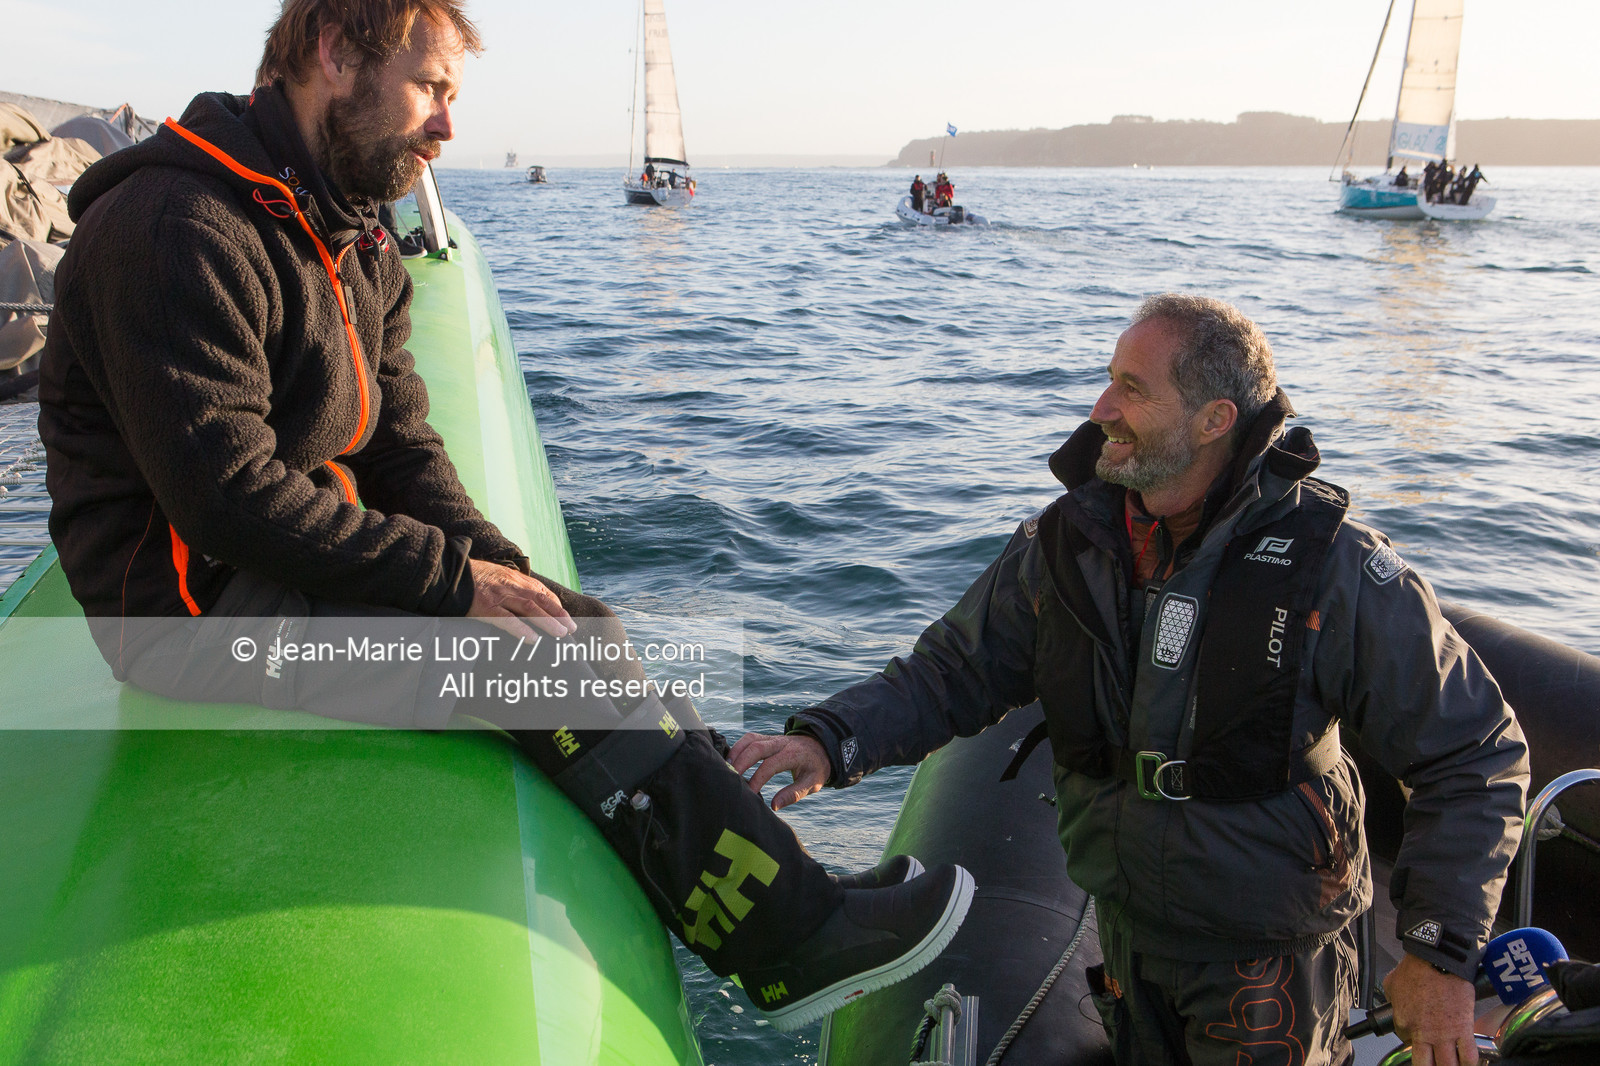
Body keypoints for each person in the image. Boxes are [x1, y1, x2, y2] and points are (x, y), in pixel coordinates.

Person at [36, 0, 971, 1032]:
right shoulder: (173, 227)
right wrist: (454, 583)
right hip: (186, 616)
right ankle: (791, 947)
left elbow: (398, 444)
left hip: (274, 567)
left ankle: (786, 876)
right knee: (532, 667)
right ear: (333, 54)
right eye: (429, 88)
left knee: (578, 627)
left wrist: (504, 570)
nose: (447, 126)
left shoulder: (347, 233)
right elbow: (226, 499)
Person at [734, 294, 1529, 1065]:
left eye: (1133, 389)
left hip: (1267, 959)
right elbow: (954, 670)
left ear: (1215, 419)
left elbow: (1477, 755)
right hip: (1127, 934)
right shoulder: (1068, 542)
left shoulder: (1335, 569)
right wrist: (829, 740)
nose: (1101, 408)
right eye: (1109, 378)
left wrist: (1439, 954)